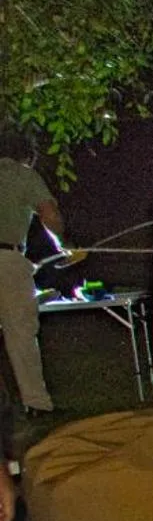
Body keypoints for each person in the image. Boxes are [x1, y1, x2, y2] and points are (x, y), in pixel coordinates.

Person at [0, 142, 63, 414]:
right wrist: (63, 243)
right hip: (7, 259)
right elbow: (49, 213)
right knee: (21, 334)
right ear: (26, 157)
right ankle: (36, 403)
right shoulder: (22, 174)